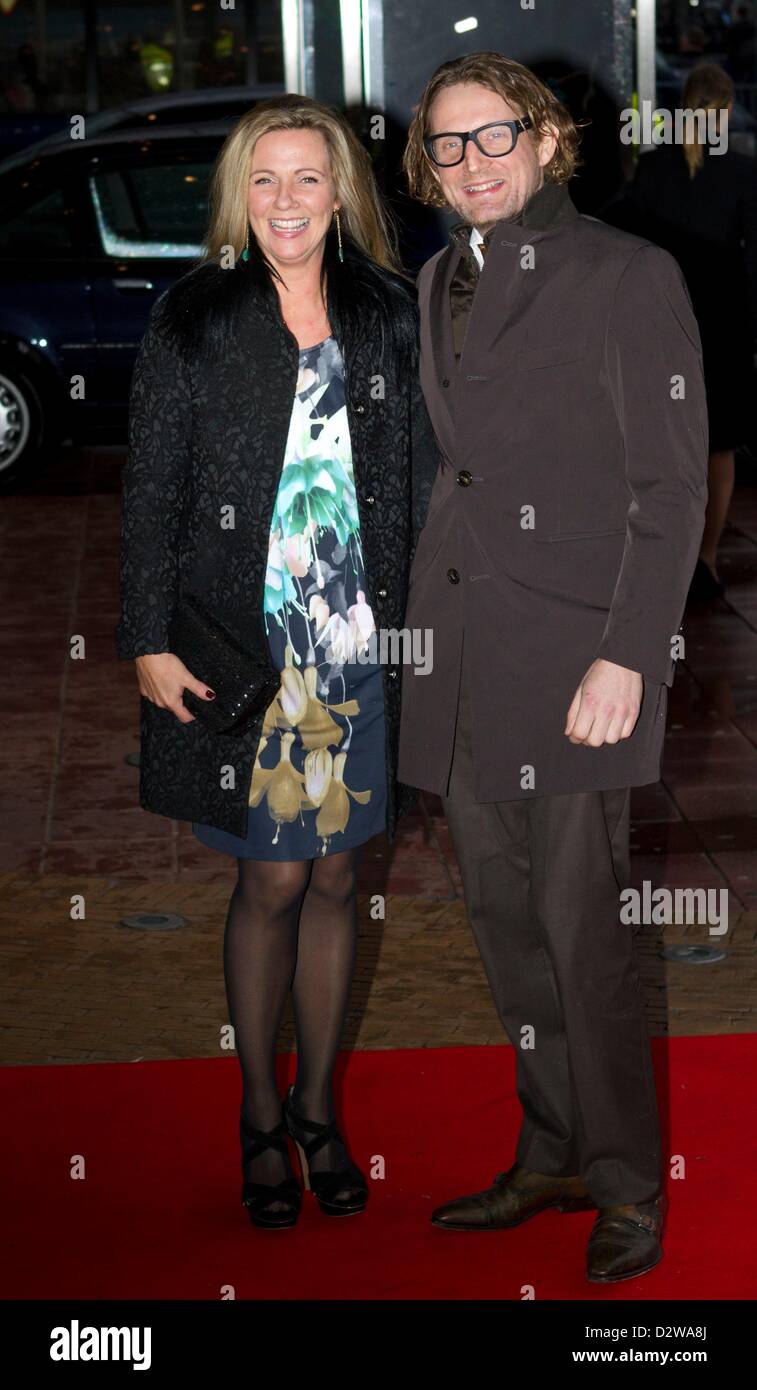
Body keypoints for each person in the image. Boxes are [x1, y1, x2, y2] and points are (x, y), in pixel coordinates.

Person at [398, 52, 708, 1283]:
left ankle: (630, 1184)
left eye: (495, 137)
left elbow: (671, 486)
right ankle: (552, 1148)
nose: (473, 163)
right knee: (506, 927)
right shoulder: (432, 279)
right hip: (463, 655)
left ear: (547, 139)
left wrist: (629, 654)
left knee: (586, 932)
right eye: (449, 144)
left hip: (580, 660)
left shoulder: (629, 277)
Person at [116, 95, 438, 1229]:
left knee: (343, 873)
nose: (287, 201)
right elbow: (149, 486)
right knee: (272, 878)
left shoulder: (390, 312)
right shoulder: (193, 318)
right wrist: (145, 634)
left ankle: (317, 1110)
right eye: (265, 178)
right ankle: (258, 1115)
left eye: (309, 178)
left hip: (362, 646)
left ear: (342, 191)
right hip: (244, 649)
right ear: (236, 194)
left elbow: (428, 482)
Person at [603, 63, 757, 601]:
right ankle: (706, 561)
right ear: (728, 110)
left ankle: (657, 565)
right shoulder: (742, 173)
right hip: (724, 331)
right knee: (717, 453)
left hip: (661, 326)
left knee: (657, 450)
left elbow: (619, 241)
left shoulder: (652, 168)